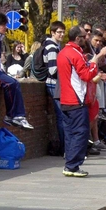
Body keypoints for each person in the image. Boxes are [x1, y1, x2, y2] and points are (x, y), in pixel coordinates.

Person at [57, 26, 104, 177]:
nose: (87, 38)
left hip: (65, 99)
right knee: (80, 133)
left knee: (70, 133)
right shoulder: (76, 53)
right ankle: (73, 166)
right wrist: (96, 60)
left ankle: (69, 165)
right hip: (77, 99)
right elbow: (86, 75)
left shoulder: (63, 52)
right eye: (84, 36)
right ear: (78, 38)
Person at [43, 21, 67, 155]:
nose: (62, 34)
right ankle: (64, 148)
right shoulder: (52, 47)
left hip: (54, 84)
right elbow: (52, 70)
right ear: (52, 33)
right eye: (59, 32)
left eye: (63, 32)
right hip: (53, 84)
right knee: (61, 116)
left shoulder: (55, 46)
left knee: (61, 116)